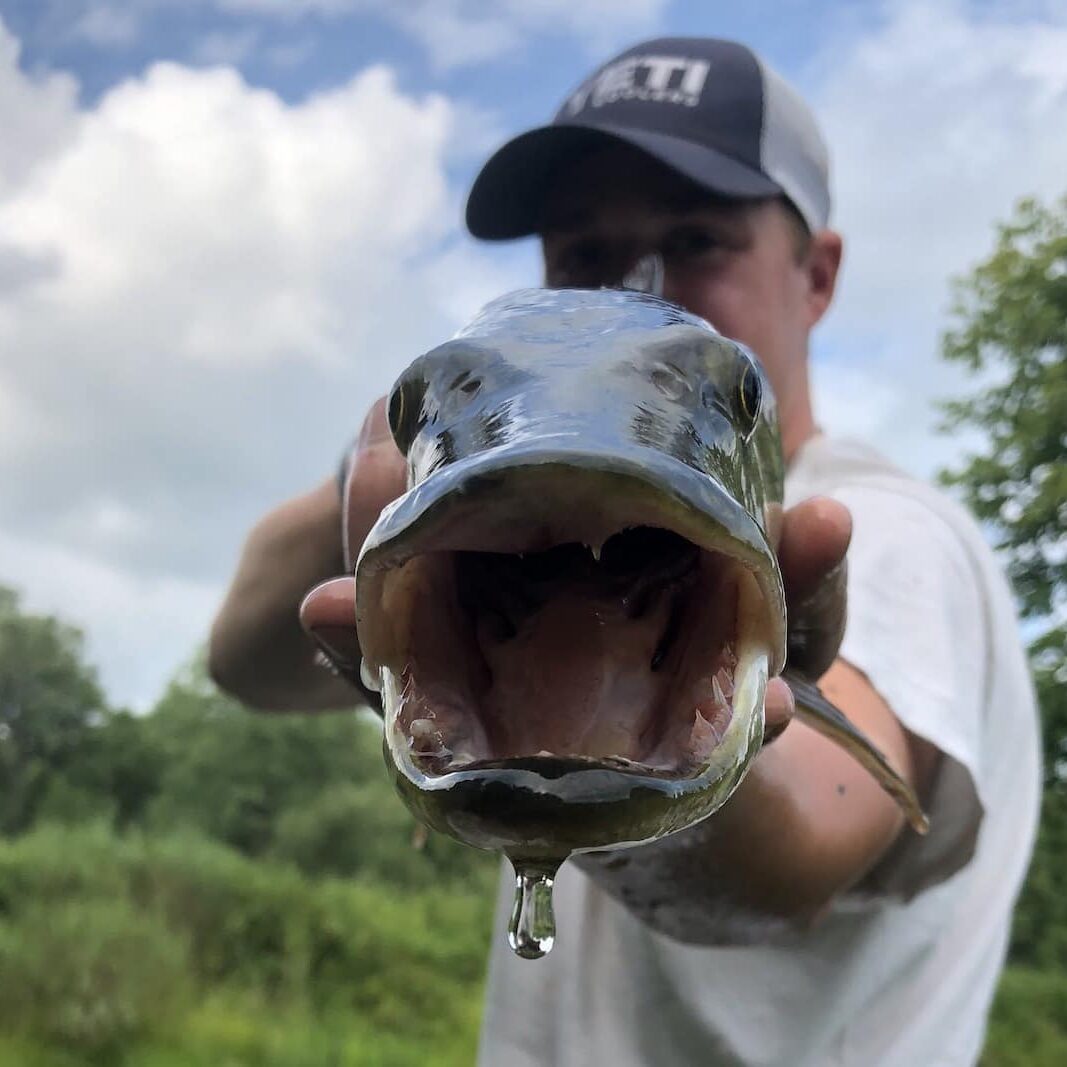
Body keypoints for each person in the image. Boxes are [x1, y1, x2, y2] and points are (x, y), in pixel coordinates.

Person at [209, 37, 1040, 1066]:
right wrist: (400, 449)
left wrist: (670, 760)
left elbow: (790, 858)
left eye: (695, 239)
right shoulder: (483, 534)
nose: (638, 286)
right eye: (582, 256)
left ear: (815, 275)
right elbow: (243, 659)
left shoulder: (897, 532)